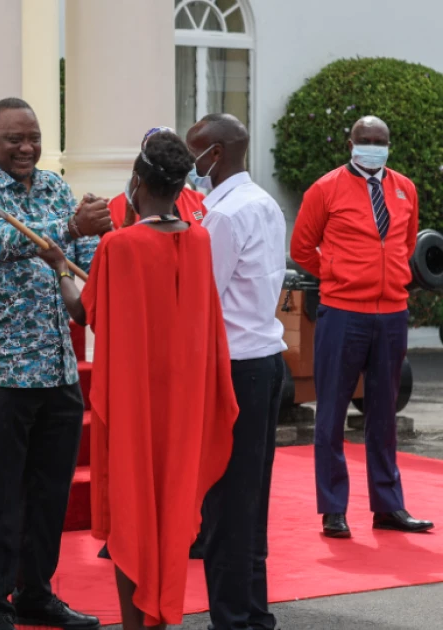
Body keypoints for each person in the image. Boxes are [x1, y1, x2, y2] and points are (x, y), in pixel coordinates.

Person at [38, 128, 238, 630]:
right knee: (170, 510)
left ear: (138, 180)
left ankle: (137, 624)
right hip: (184, 403)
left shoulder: (119, 247)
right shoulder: (199, 239)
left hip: (135, 404)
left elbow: (85, 313)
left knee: (133, 512)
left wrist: (60, 266)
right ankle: (159, 617)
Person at [0, 97, 110, 630]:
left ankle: (36, 593)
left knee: (49, 494)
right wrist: (67, 228)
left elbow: (82, 264)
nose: (26, 148)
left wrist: (105, 242)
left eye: (33, 137)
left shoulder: (55, 188)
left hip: (56, 366)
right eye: (14, 139)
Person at [290, 115, 433, 538]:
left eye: (380, 140)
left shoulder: (405, 188)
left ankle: (388, 506)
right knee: (331, 411)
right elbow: (301, 247)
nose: (373, 145)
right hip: (342, 312)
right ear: (350, 144)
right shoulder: (326, 188)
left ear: (389, 144)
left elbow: (405, 246)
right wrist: (338, 275)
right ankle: (334, 509)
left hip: (391, 313)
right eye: (365, 139)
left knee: (383, 412)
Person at [185, 113, 287, 630]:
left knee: (226, 501)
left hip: (235, 365)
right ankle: (250, 612)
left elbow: (203, 295)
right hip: (265, 360)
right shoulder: (264, 202)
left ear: (215, 154)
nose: (191, 166)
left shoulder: (222, 216)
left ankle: (232, 616)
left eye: (194, 154)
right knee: (251, 496)